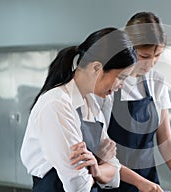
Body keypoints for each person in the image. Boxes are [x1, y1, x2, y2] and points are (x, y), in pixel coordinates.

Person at [101, 12, 171, 192]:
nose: (151, 64)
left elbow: (165, 139)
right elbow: (98, 147)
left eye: (157, 55)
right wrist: (138, 182)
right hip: (112, 181)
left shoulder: (156, 82)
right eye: (145, 56)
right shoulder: (110, 83)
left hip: (148, 181)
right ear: (129, 47)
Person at [20, 27, 137, 192]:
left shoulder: (93, 102)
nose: (122, 85)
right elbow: (77, 185)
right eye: (121, 77)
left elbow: (113, 168)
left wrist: (97, 167)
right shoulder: (57, 104)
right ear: (96, 68)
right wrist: (99, 166)